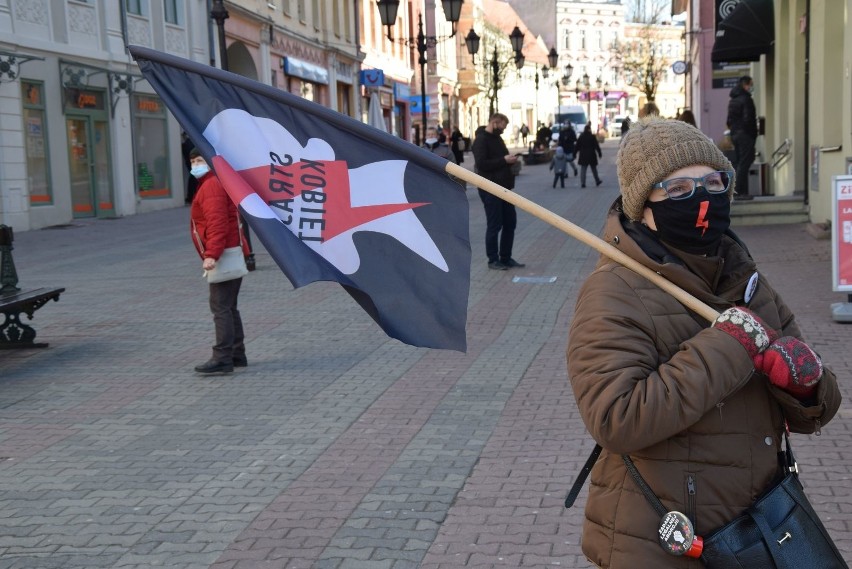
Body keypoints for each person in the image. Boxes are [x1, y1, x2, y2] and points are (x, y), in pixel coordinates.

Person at [566, 117, 841, 568]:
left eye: (714, 182)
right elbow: (616, 418)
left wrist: (807, 385)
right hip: (665, 542)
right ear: (643, 207)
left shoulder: (745, 278)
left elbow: (818, 410)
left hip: (762, 527)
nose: (702, 199)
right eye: (676, 189)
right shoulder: (614, 290)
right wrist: (728, 347)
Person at [189, 148, 249, 374]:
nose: (195, 165)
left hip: (223, 253)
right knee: (229, 306)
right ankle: (236, 353)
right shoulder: (212, 182)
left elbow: (217, 223)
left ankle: (222, 357)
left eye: (200, 160)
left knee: (220, 307)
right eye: (193, 161)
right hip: (231, 250)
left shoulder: (211, 185)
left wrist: (211, 254)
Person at [472, 113, 525, 271]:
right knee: (494, 224)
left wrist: (509, 159)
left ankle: (506, 257)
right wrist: (504, 160)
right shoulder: (481, 139)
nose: (504, 129)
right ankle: (493, 259)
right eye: (503, 126)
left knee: (510, 222)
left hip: (504, 188)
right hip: (490, 188)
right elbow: (481, 164)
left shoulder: (497, 138)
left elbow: (500, 158)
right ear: (495, 122)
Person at [727, 75, 758, 197]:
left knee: (740, 162)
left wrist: (735, 131)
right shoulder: (746, 99)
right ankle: (739, 191)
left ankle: (740, 191)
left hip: (735, 134)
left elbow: (729, 121)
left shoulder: (732, 100)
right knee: (745, 162)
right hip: (745, 134)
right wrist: (752, 134)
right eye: (751, 84)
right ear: (746, 85)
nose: (751, 87)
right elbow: (748, 119)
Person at [575, 123, 602, 187]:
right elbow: (596, 146)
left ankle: (583, 183)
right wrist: (599, 153)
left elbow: (577, 146)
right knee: (594, 169)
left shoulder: (581, 137)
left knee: (583, 170)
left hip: (583, 155)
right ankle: (597, 180)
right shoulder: (592, 137)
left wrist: (574, 153)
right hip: (591, 155)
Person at [180, 132, 199, 204]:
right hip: (192, 164)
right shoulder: (191, 143)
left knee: (193, 180)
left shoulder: (187, 144)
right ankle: (191, 197)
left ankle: (190, 197)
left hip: (191, 164)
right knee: (194, 180)